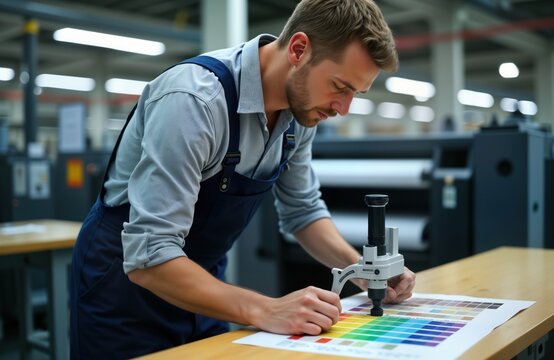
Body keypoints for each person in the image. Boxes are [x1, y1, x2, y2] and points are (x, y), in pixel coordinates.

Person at [69, 0, 416, 358]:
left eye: (354, 94)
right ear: (299, 49)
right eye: (339, 86)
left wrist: (364, 271)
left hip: (202, 286)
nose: (342, 109)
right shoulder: (194, 101)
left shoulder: (301, 113)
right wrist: (265, 309)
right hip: (123, 292)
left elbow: (302, 212)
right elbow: (148, 257)